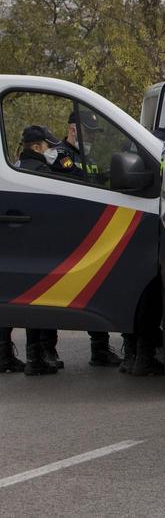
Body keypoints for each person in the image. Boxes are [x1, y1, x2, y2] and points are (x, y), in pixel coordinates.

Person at [50, 110, 122, 368]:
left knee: (97, 289)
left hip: (91, 234)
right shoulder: (58, 155)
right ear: (72, 129)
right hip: (64, 233)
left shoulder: (86, 157)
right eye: (87, 131)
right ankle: (47, 351)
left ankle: (100, 349)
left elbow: (96, 180)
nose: (90, 137)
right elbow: (73, 182)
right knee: (54, 293)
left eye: (92, 133)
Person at [15, 126, 62, 376]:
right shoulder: (43, 171)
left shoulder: (15, 167)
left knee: (29, 302)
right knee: (46, 301)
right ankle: (42, 355)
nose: (50, 150)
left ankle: (33, 355)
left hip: (21, 246)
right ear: (36, 147)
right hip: (44, 246)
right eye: (47, 146)